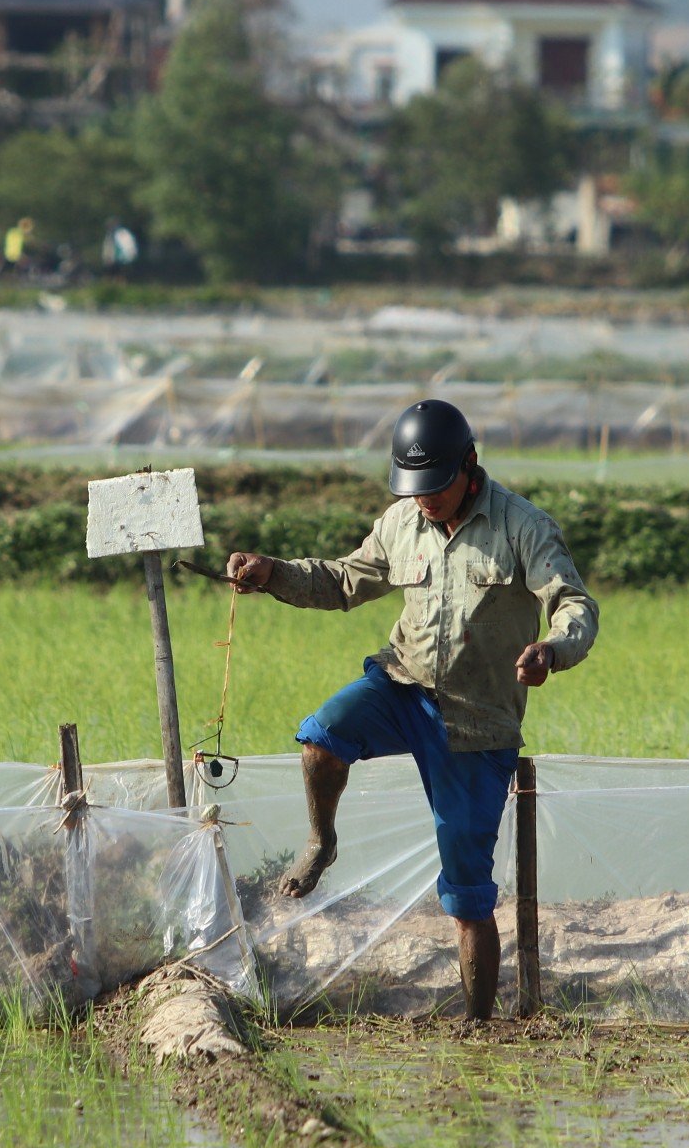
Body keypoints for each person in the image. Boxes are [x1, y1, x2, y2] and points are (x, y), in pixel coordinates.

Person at [224, 400, 598, 1020]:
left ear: (470, 465)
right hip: (404, 686)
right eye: (414, 488)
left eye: (437, 486)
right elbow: (345, 581)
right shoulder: (402, 522)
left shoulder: (523, 527)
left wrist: (551, 652)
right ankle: (322, 842)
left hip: (478, 724)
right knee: (322, 736)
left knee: (468, 896)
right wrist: (273, 574)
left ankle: (481, 1028)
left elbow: (573, 605)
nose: (425, 499)